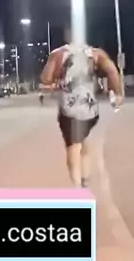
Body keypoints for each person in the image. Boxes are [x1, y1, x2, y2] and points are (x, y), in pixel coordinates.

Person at [40, 24, 123, 188]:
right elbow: (112, 71)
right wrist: (118, 93)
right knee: (82, 140)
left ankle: (78, 187)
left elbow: (45, 79)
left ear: (67, 35)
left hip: (69, 109)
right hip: (90, 110)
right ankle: (85, 177)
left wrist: (56, 78)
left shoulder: (58, 54)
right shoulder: (96, 54)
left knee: (73, 147)